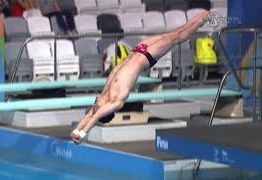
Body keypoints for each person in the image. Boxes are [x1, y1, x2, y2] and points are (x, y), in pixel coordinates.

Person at [70, 11, 211, 144]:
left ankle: (200, 17)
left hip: (137, 50)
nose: (93, 107)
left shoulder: (104, 96)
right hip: (146, 57)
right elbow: (94, 117)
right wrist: (81, 135)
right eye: (96, 108)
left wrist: (76, 130)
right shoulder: (114, 102)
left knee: (170, 34)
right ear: (104, 111)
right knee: (176, 38)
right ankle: (200, 21)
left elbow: (89, 116)